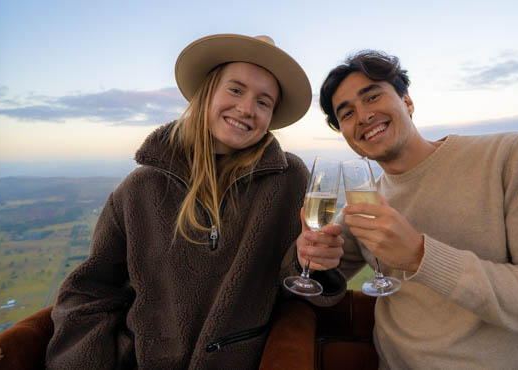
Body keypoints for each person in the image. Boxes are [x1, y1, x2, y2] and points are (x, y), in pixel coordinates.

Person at [45, 34, 343, 369]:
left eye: (263, 102)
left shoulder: (289, 179)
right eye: (235, 89)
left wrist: (314, 263)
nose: (246, 108)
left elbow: (293, 287)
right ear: (208, 92)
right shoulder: (138, 189)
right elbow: (89, 292)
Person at [298, 50, 518, 369]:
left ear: (407, 102)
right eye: (346, 114)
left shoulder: (508, 155)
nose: (363, 116)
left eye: (372, 97)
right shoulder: (366, 204)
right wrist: (310, 260)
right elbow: (317, 287)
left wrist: (420, 255)